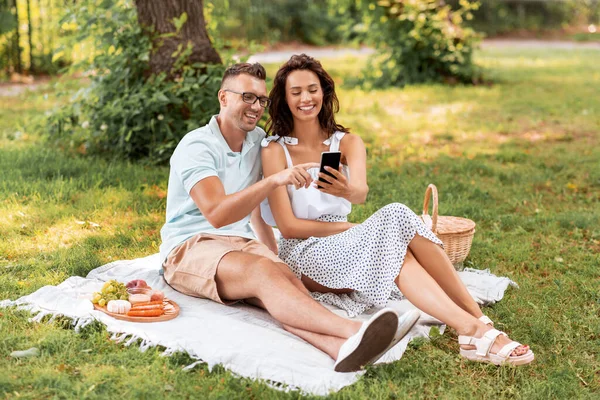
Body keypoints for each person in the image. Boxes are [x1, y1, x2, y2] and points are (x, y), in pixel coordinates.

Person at [260, 54, 534, 366]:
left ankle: (474, 326)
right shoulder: (274, 150)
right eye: (295, 92)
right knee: (396, 217)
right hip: (305, 255)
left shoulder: (347, 142)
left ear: (324, 92)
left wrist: (345, 190)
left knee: (397, 239)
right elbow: (289, 226)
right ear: (284, 99)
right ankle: (475, 324)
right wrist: (351, 229)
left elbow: (360, 193)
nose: (305, 99)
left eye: (312, 89)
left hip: (347, 242)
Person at [158, 62, 421, 373]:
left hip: (240, 243)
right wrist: (273, 181)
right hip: (191, 247)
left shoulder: (257, 140)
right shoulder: (197, 146)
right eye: (246, 97)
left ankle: (339, 349)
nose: (255, 107)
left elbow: (255, 208)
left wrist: (271, 247)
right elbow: (216, 214)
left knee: (286, 286)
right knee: (263, 273)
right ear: (223, 97)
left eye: (260, 99)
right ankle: (355, 331)